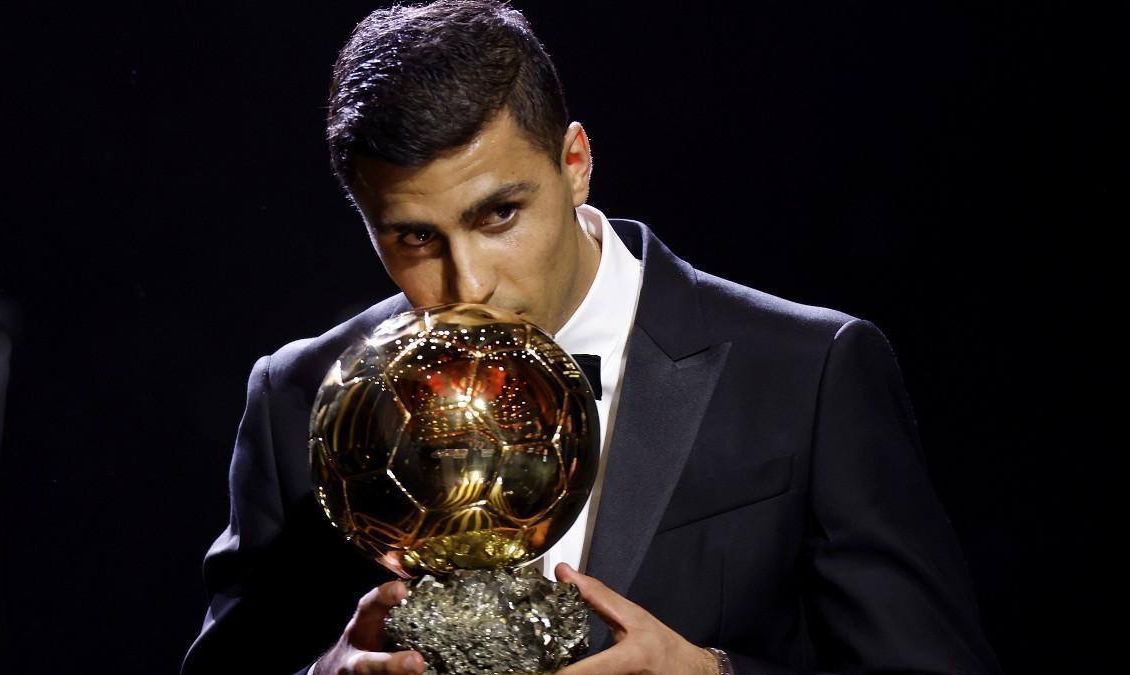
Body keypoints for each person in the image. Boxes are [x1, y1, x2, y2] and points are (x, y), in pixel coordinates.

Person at [182, 2, 1002, 673]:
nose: (470, 286)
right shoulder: (300, 396)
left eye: (499, 214)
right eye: (414, 239)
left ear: (575, 161)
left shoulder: (810, 371)